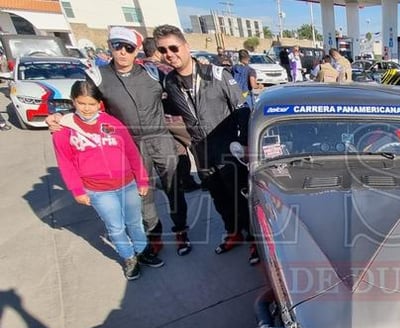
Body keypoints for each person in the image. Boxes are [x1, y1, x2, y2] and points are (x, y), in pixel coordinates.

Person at [48, 27, 191, 257]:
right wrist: (59, 117)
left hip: (160, 139)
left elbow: (180, 92)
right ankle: (154, 236)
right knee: (144, 194)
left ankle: (181, 230)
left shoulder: (154, 73)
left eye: (128, 48)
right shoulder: (98, 76)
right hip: (128, 143)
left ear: (137, 51)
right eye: (117, 46)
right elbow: (82, 102)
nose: (122, 52)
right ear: (110, 47)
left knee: (174, 189)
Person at [153, 24, 258, 265]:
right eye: (163, 50)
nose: (169, 54)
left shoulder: (217, 75)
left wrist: (243, 144)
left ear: (186, 47)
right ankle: (233, 233)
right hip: (200, 151)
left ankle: (254, 240)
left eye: (173, 47)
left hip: (229, 150)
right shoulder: (169, 82)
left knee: (240, 197)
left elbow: (242, 109)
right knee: (219, 198)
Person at [52, 80, 162, 280]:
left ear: (99, 103)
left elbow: (130, 151)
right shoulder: (64, 129)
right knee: (116, 226)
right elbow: (65, 163)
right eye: (81, 103)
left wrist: (142, 179)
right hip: (98, 190)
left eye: (91, 104)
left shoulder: (111, 122)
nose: (86, 109)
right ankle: (129, 258)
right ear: (73, 101)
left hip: (127, 183)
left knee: (135, 222)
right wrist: (77, 190)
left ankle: (143, 251)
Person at [140, 37, 201, 194]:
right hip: (176, 118)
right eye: (163, 50)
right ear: (156, 51)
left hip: (158, 120)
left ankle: (182, 181)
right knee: (199, 147)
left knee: (179, 151)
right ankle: (206, 178)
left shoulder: (139, 70)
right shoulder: (164, 70)